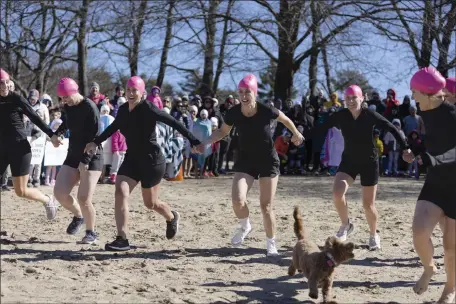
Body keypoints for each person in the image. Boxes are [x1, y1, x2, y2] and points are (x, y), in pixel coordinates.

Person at [84, 76, 201, 251]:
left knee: (151, 204)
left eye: (134, 90)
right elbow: (113, 127)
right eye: (128, 90)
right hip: (132, 159)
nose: (131, 93)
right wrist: (96, 141)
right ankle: (121, 238)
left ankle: (171, 217)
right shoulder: (123, 110)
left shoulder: (149, 108)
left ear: (142, 93)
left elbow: (173, 122)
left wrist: (193, 140)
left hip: (152, 160)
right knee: (120, 191)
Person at [194, 74, 304, 256]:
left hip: (268, 161)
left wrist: (296, 134)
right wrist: (204, 142)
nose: (244, 95)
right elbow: (222, 131)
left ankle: (271, 243)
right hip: (246, 160)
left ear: (254, 93)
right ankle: (245, 225)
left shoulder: (266, 110)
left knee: (266, 206)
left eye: (248, 92)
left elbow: (285, 119)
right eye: (241, 92)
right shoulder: (234, 112)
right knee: (237, 200)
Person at [311, 84, 409, 250]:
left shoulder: (369, 115)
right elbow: (321, 127)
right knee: (337, 193)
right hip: (349, 160)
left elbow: (391, 127)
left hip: (369, 162)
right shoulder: (340, 116)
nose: (350, 101)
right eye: (347, 98)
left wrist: (405, 147)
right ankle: (346, 225)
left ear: (362, 98)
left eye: (354, 97)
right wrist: (299, 135)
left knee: (368, 205)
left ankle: (373, 234)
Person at [403, 67, 455, 304]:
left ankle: (450, 289)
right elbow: (433, 141)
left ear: (427, 93)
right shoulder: (427, 112)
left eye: (415, 92)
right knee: (419, 230)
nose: (412, 97)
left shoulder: (452, 115)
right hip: (435, 184)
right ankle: (429, 267)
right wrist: (415, 150)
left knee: (451, 247)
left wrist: (435, 159)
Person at [0, 68, 59, 219]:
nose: (5, 86)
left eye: (7, 82)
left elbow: (35, 117)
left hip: (20, 148)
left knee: (21, 191)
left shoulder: (17, 99)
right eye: (1, 83)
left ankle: (47, 200)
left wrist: (51, 134)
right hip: (2, 149)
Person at [52, 77, 104, 244]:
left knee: (83, 198)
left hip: (92, 156)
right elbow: (67, 121)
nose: (64, 101)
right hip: (73, 154)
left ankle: (91, 232)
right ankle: (78, 216)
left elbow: (96, 138)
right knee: (59, 193)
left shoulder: (90, 107)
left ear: (75, 92)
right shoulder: (69, 106)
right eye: (62, 98)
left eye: (66, 97)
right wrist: (59, 133)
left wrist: (86, 160)